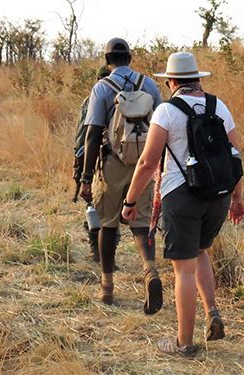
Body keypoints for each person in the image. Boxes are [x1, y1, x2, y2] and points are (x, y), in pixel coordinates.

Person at [122, 52, 244, 358]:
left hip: (181, 196)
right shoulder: (220, 107)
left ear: (171, 81)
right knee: (201, 252)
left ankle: (184, 343)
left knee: (183, 271)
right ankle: (212, 310)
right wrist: (238, 198)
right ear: (198, 79)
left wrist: (130, 200)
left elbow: (149, 163)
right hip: (218, 195)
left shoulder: (166, 111)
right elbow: (235, 158)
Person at [79, 37, 164, 314]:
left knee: (108, 223)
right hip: (145, 163)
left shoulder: (102, 88)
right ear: (130, 57)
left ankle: (107, 287)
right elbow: (162, 123)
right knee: (141, 222)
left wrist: (85, 176)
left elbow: (92, 134)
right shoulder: (149, 84)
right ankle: (149, 270)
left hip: (113, 162)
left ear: (107, 61)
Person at [72, 65, 117, 265]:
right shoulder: (129, 97)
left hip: (96, 159)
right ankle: (109, 253)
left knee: (93, 205)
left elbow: (83, 137)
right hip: (124, 160)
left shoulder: (91, 100)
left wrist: (80, 170)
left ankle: (97, 251)